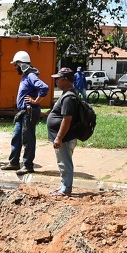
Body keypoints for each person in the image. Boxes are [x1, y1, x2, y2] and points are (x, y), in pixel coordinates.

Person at [1, 50, 49, 175]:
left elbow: (44, 88)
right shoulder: (26, 76)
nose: (14, 67)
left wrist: (36, 100)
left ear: (21, 64)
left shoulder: (31, 76)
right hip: (23, 112)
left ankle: (28, 165)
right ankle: (14, 162)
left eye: (15, 64)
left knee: (27, 139)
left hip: (29, 112)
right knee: (16, 137)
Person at [46, 68, 82, 197]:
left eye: (58, 79)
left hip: (65, 138)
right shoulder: (66, 94)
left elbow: (67, 120)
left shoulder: (69, 98)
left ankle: (66, 188)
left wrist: (59, 138)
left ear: (65, 80)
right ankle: (63, 185)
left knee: (65, 162)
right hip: (63, 138)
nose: (56, 81)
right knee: (62, 162)